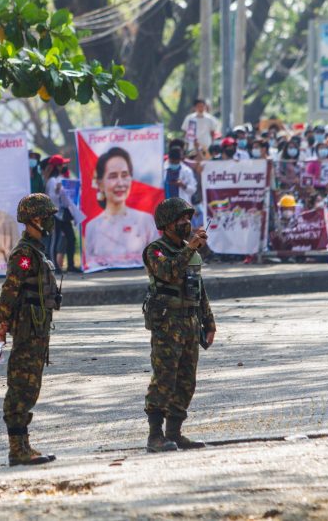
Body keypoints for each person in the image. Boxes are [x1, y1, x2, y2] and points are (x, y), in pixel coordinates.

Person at [142, 197, 216, 452]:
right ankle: (155, 435)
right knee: (164, 377)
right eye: (181, 219)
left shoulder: (189, 251)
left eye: (188, 218)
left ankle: (175, 433)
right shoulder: (156, 250)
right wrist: (190, 248)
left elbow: (199, 288)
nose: (187, 223)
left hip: (190, 321)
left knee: (187, 379)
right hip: (167, 322)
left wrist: (208, 321)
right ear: (167, 223)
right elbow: (168, 272)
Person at [0, 193, 60, 466]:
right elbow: (9, 291)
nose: (51, 222)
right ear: (35, 219)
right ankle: (16, 449)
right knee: (21, 388)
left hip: (38, 329)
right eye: (47, 217)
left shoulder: (37, 250)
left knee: (31, 387)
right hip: (26, 330)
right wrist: (2, 323)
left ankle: (24, 446)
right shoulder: (24, 254)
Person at [84, 147, 158, 269]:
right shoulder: (92, 226)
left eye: (124, 175)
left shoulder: (146, 220)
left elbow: (157, 257)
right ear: (100, 183)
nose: (120, 183)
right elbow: (91, 264)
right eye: (113, 176)